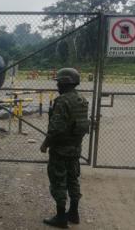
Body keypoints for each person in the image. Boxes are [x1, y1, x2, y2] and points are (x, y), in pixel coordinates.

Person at [40, 68, 90, 228]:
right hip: (75, 148)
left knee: (58, 181)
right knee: (73, 179)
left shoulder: (62, 101)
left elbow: (56, 127)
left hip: (60, 149)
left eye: (59, 82)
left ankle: (61, 217)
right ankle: (74, 213)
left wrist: (45, 143)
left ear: (65, 82)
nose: (57, 85)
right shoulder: (81, 99)